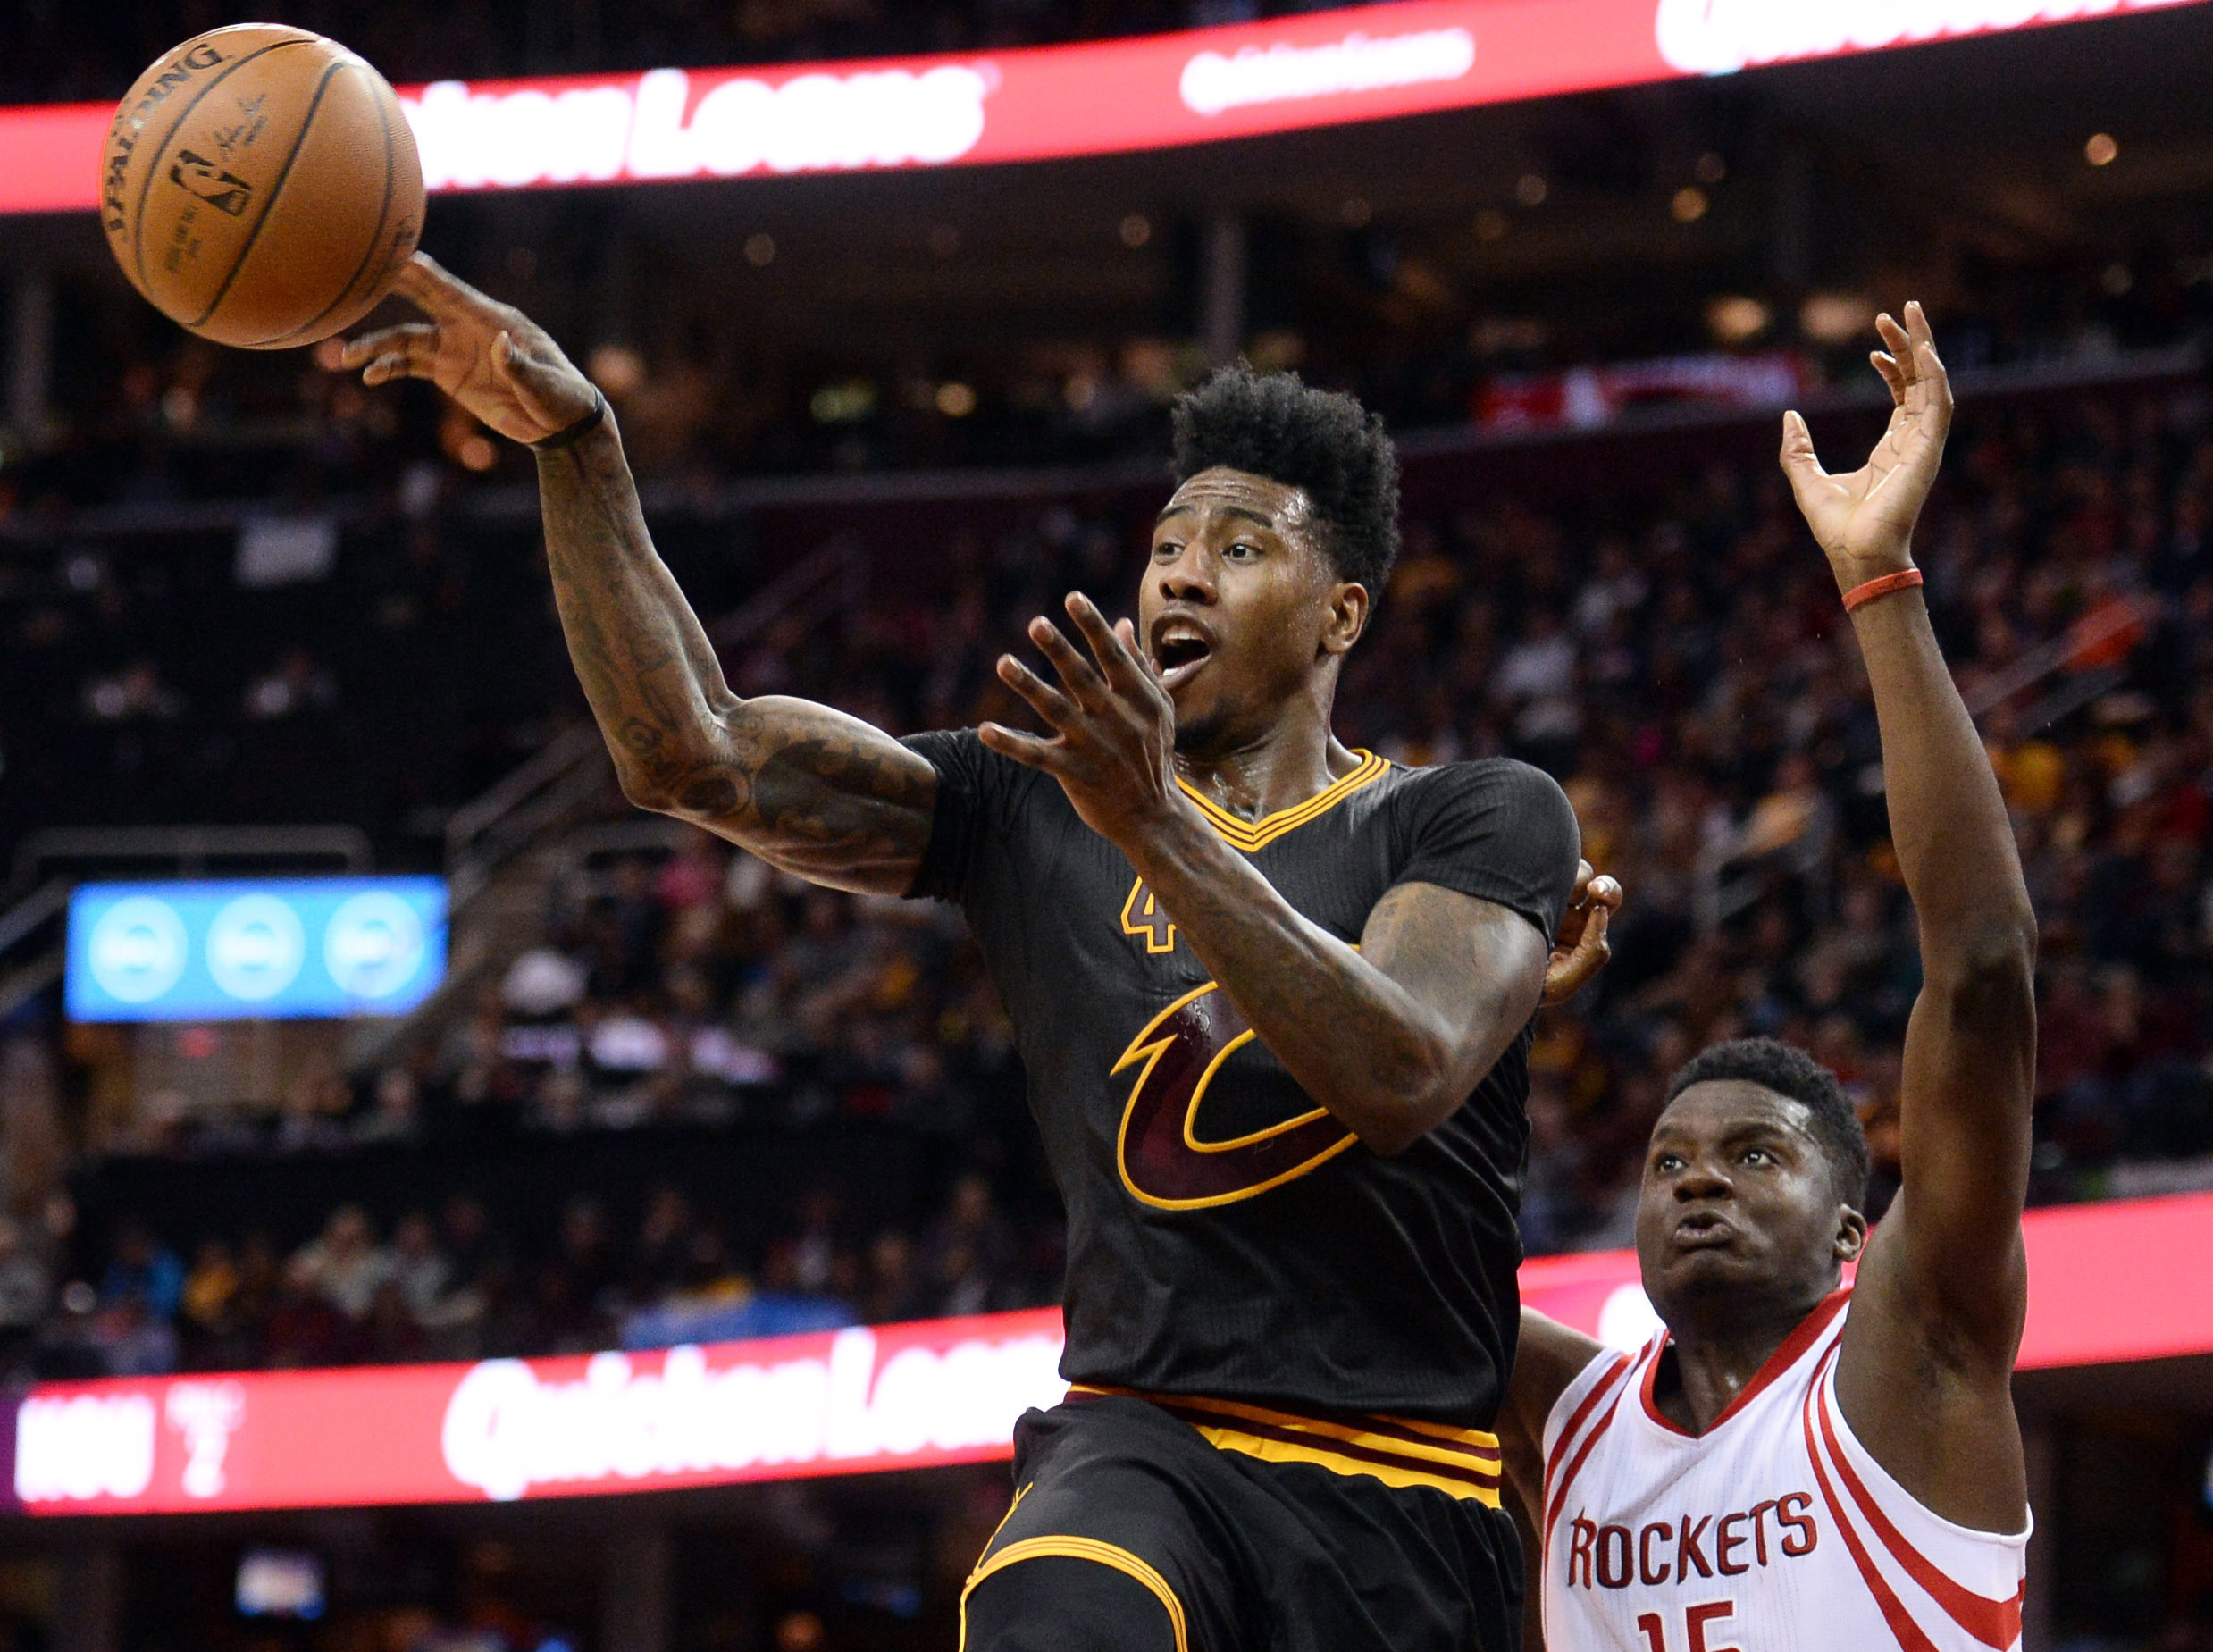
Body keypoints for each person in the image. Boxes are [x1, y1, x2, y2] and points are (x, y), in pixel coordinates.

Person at [344, 254, 1617, 1652]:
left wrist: (1148, 825)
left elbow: (1402, 1062)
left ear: (1342, 614)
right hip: (1145, 1445)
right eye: (1167, 547)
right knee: (1049, 1605)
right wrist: (578, 449)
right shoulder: (1030, 800)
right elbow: (690, 751)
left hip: (1409, 1498)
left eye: (1240, 548)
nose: (1182, 572)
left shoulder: (1472, 813)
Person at [1496, 306, 2039, 1651]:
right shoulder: (1565, 1415)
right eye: (1671, 1158)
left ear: (1854, 1237)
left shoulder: (1912, 1348)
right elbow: (1353, 1233)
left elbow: (1977, 970)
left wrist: (1877, 583)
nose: (1693, 1178)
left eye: (1750, 1156)